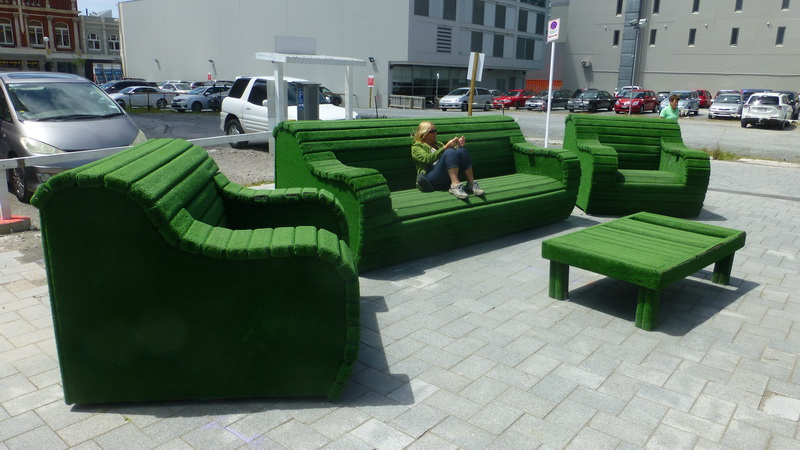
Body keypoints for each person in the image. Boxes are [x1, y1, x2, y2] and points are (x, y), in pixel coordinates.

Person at [411, 121, 484, 199]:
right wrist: (445, 147)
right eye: (432, 132)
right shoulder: (417, 147)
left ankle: (471, 183)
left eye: (435, 131)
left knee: (461, 151)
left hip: (445, 177)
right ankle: (455, 185)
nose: (435, 133)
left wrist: (458, 146)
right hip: (430, 179)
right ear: (424, 133)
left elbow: (450, 157)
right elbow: (427, 159)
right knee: (449, 151)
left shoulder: (438, 144)